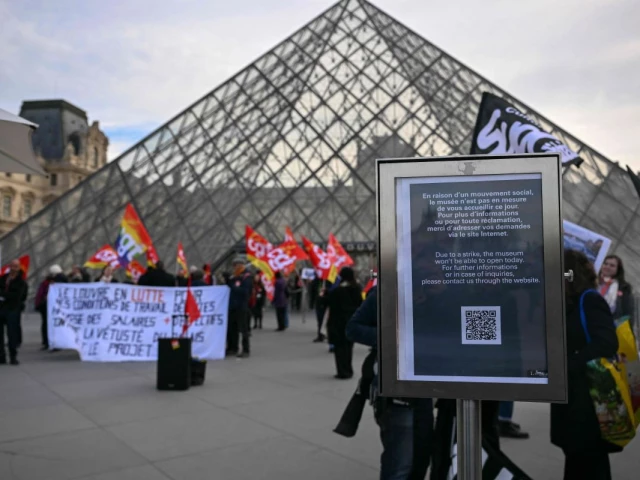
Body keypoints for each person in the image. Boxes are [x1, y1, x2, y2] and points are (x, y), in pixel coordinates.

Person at [346, 285, 434, 479]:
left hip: (426, 388)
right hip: (397, 392)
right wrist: (393, 337)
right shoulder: (389, 287)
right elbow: (353, 328)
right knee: (400, 463)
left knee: (421, 458)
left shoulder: (438, 290)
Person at [551, 249, 618, 480]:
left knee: (589, 461)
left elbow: (607, 342)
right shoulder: (567, 302)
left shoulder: (589, 299)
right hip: (573, 396)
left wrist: (569, 364)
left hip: (589, 399)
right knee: (578, 460)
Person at [327, 267, 362, 379]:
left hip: (339, 322)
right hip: (352, 321)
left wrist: (323, 295)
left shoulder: (339, 290)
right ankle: (348, 369)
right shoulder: (357, 288)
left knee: (340, 348)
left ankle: (342, 371)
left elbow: (331, 304)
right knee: (348, 348)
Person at [0, 260, 28, 365]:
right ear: (9, 267)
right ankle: (1, 356)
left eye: (16, 266)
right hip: (1, 309)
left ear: (19, 267)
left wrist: (3, 295)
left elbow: (18, 296)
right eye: (12, 266)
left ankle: (13, 356)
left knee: (12, 334)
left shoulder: (21, 282)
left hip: (12, 310)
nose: (14, 268)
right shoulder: (3, 278)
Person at [35, 265, 67, 350]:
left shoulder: (48, 282)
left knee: (46, 323)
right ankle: (51, 342)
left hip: (47, 305)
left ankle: (47, 342)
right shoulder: (58, 280)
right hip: (51, 305)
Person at [227, 257, 252, 358]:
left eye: (237, 264)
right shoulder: (234, 276)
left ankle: (245, 350)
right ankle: (232, 347)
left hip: (242, 306)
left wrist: (233, 286)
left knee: (243, 329)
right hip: (232, 306)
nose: (235, 267)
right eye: (234, 265)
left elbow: (245, 291)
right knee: (232, 328)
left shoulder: (246, 277)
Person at [598, 254, 634, 325]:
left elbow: (628, 313)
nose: (607, 267)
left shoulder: (624, 287)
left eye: (612, 265)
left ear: (618, 269)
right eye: (605, 264)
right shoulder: (592, 281)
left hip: (608, 326)